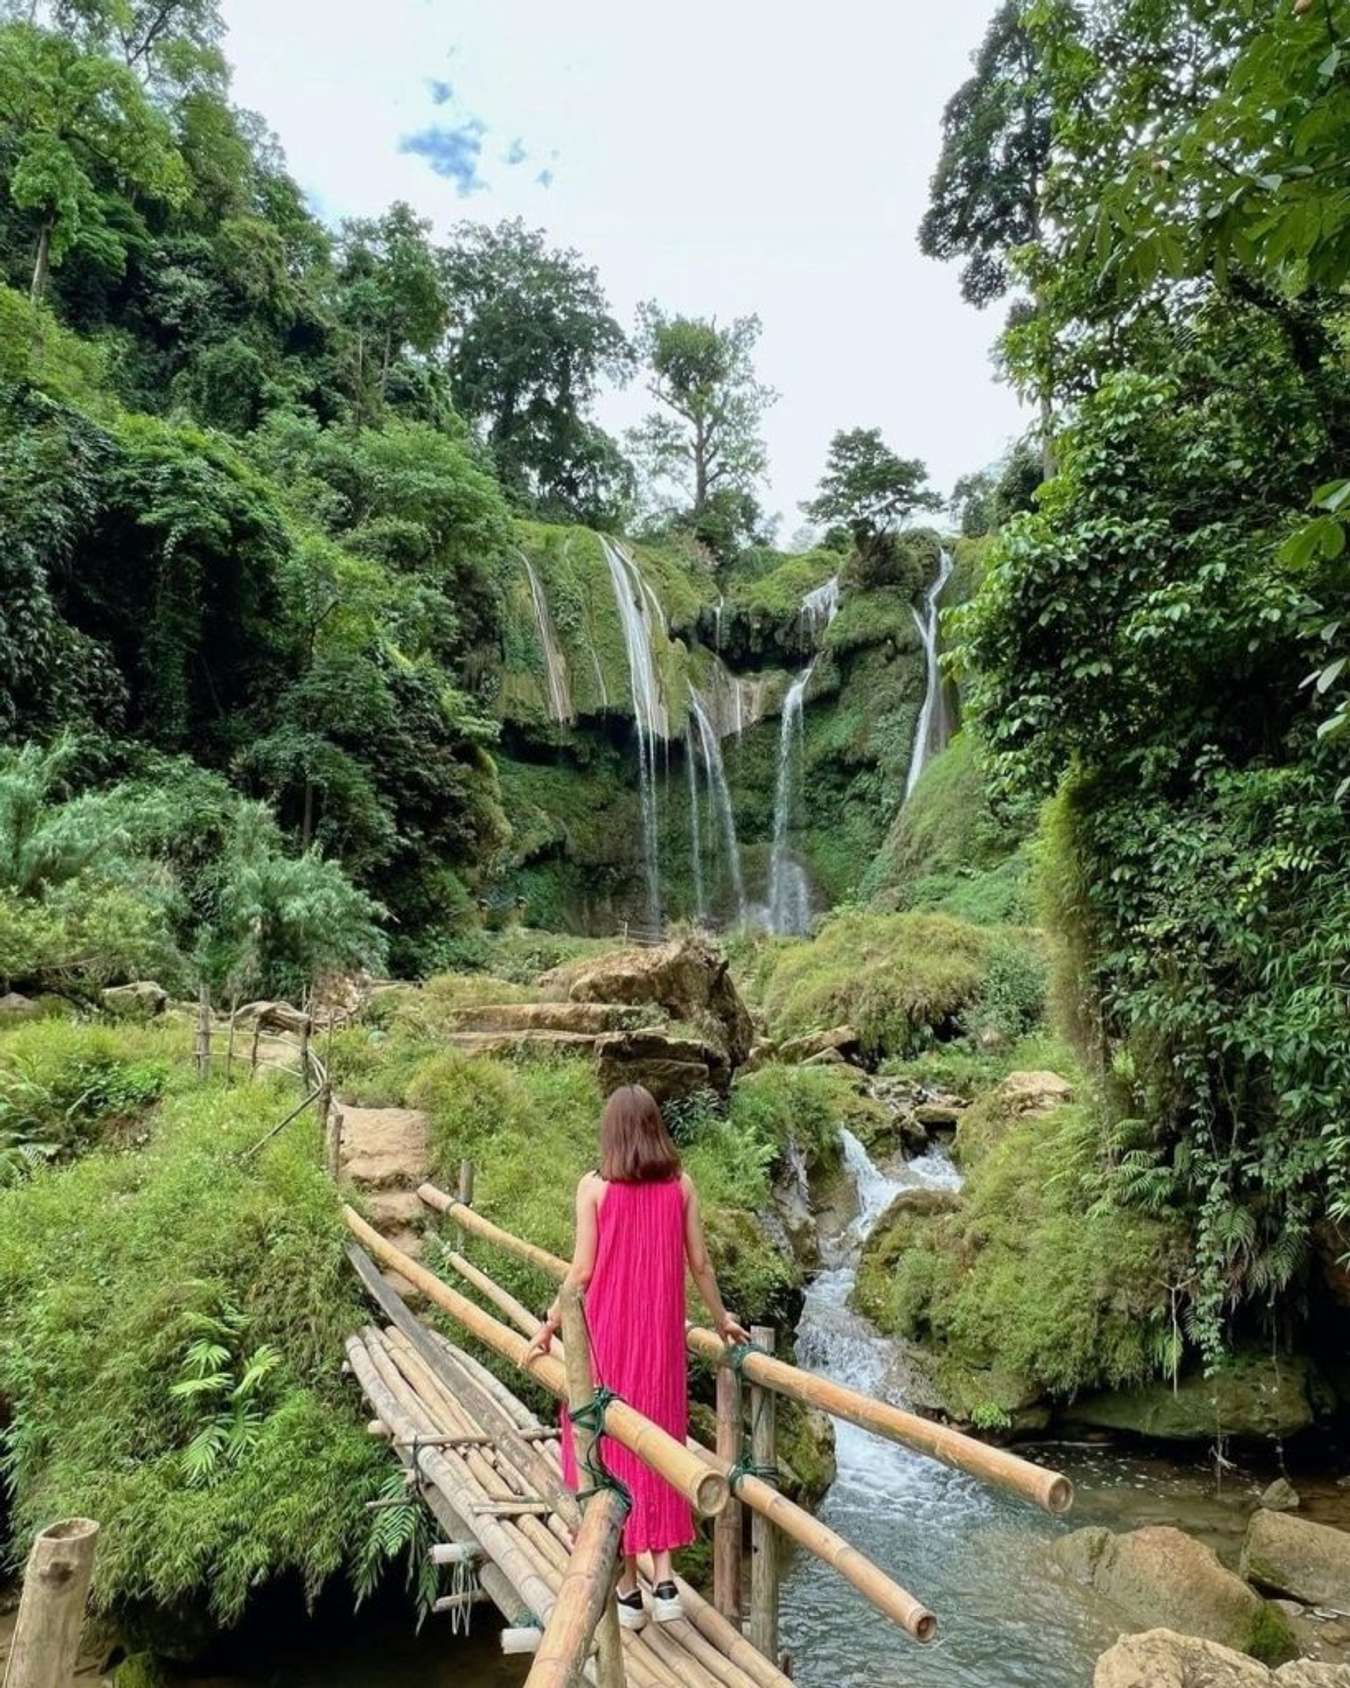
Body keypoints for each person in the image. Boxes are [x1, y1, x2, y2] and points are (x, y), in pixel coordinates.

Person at [524, 1083, 750, 1630]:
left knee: (605, 1447)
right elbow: (701, 1265)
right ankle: (666, 1580)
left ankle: (627, 1591)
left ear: (612, 1132)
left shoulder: (594, 1189)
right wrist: (722, 1321)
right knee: (659, 1445)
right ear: (655, 1128)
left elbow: (580, 1274)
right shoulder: (682, 1186)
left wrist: (549, 1325)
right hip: (660, 1344)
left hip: (605, 1341)